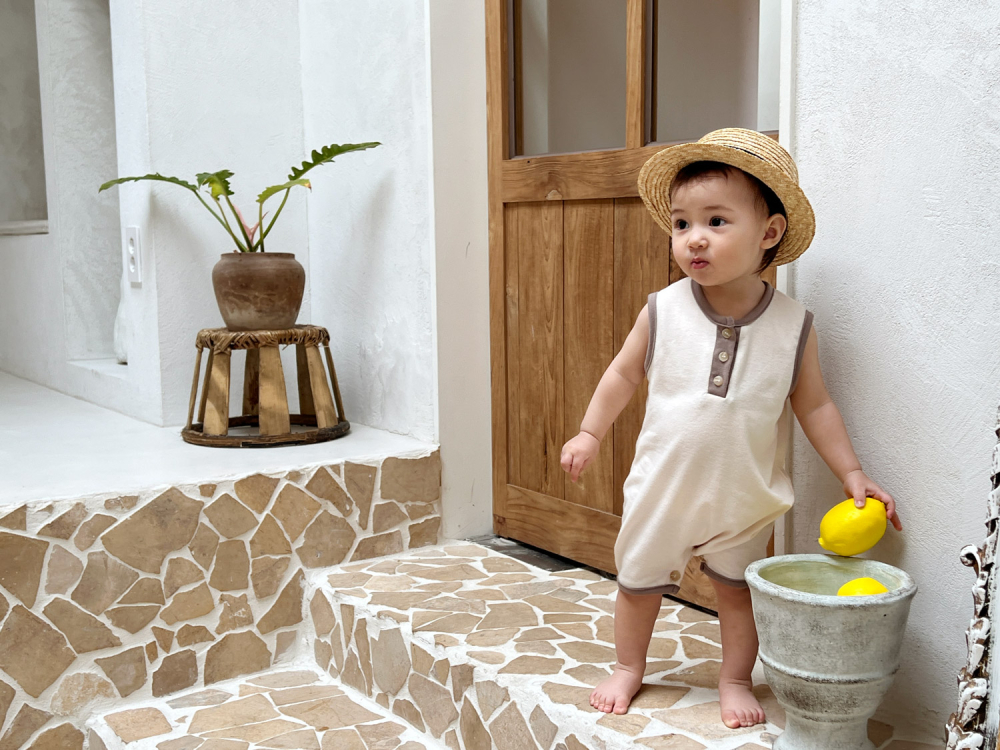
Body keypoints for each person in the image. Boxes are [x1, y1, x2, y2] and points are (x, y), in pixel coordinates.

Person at [559, 128, 903, 728]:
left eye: (716, 221)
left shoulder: (793, 326)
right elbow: (622, 373)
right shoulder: (662, 309)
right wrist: (590, 432)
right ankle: (628, 666)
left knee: (737, 593)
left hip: (743, 495)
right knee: (637, 585)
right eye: (681, 223)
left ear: (768, 233)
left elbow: (815, 406)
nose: (694, 237)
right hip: (663, 487)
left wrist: (851, 472)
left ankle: (735, 678)